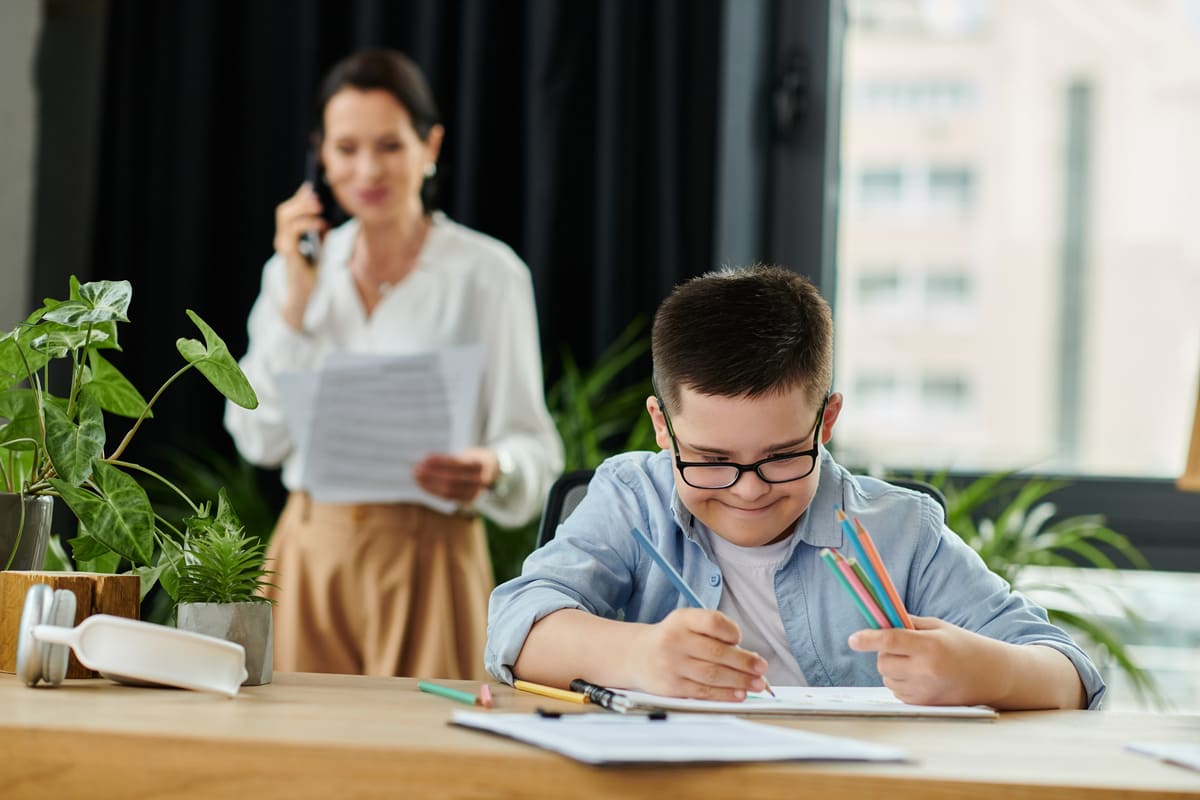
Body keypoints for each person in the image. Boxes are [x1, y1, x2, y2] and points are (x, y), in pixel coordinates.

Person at [486, 264, 1104, 709]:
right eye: (711, 459)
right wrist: (638, 655)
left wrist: (988, 671)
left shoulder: (899, 531)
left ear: (826, 422)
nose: (748, 491)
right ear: (662, 428)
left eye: (781, 457)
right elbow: (516, 624)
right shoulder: (632, 498)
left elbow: (1071, 673)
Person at [225, 48, 563, 679]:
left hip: (431, 555)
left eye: (389, 145)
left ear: (429, 146)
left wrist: (493, 468)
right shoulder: (292, 271)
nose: (367, 169)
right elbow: (258, 438)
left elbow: (536, 447)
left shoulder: (488, 275)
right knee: (295, 767)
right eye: (346, 149)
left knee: (423, 768)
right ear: (319, 156)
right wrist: (295, 304)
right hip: (308, 554)